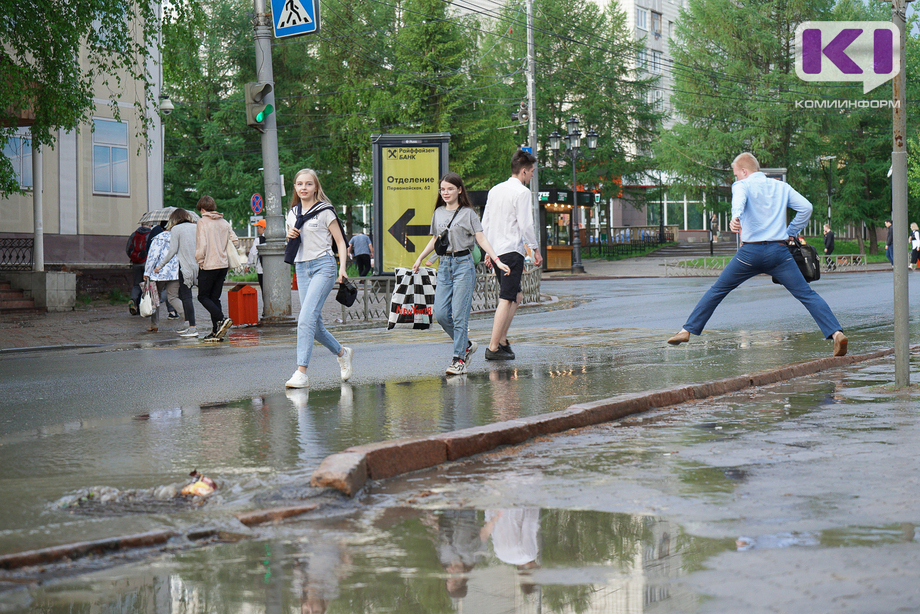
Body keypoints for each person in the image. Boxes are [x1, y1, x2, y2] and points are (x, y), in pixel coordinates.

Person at [666, 152, 848, 357]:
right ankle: (836, 333)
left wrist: (735, 217)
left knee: (718, 290)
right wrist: (790, 232)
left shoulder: (742, 185)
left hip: (749, 254)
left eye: (736, 174)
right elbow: (806, 208)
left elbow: (739, 201)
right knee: (806, 295)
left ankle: (686, 330)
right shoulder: (781, 186)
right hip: (779, 252)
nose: (736, 179)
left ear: (744, 171)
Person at [412, 172, 510, 375]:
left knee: (459, 316)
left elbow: (481, 239)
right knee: (440, 314)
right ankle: (466, 344)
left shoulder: (468, 214)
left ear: (459, 190)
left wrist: (497, 260)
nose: (445, 192)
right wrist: (420, 258)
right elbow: (435, 240)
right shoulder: (438, 212)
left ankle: (459, 359)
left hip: (463, 266)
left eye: (450, 189)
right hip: (445, 266)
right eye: (443, 189)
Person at [284, 168, 353, 389]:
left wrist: (342, 268)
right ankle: (343, 353)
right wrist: (289, 235)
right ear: (295, 187)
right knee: (314, 325)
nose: (303, 188)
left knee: (305, 318)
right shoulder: (293, 213)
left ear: (316, 187)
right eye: (299, 184)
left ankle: (301, 372)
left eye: (308, 184)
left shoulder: (325, 211)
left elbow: (341, 242)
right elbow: (295, 243)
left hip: (324, 266)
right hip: (302, 268)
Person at [481, 150, 544, 361]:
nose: (532, 176)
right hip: (511, 251)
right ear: (524, 171)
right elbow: (526, 224)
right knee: (507, 298)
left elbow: (486, 222)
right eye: (532, 172)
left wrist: (488, 252)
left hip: (498, 251)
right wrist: (535, 249)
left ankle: (502, 339)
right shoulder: (522, 193)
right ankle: (493, 346)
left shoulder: (495, 190)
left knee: (516, 295)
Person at [195, 195, 239, 342]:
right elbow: (235, 242)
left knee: (202, 296)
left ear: (202, 209)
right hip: (223, 265)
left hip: (209, 264)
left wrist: (200, 260)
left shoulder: (202, 222)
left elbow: (202, 245)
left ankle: (222, 319)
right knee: (214, 298)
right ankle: (216, 330)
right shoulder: (224, 222)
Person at [159, 208, 200, 337]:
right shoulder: (196, 227)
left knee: (186, 297)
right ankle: (189, 325)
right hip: (199, 266)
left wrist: (160, 265)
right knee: (201, 296)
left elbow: (172, 251)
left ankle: (192, 327)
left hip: (185, 268)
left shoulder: (176, 229)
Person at [142, 222, 183, 334]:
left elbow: (153, 256)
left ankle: (154, 325)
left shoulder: (158, 238)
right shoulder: (178, 238)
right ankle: (189, 320)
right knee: (173, 298)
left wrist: (147, 272)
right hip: (175, 273)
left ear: (161, 227)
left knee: (155, 298)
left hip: (158, 272)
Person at [246, 218, 266, 288]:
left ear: (263, 228)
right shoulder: (274, 239)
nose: (257, 230)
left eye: (258, 228)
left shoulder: (258, 240)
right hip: (273, 269)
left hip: (261, 269)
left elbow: (252, 253)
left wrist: (248, 265)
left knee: (264, 289)